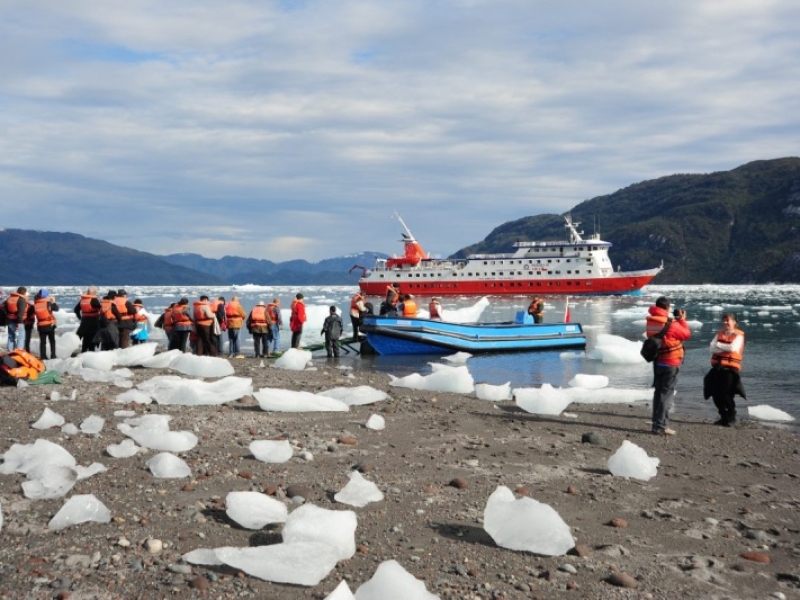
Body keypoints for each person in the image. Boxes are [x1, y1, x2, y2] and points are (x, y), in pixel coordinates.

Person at [645, 296, 692, 436]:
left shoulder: (651, 321)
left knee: (659, 394)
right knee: (666, 395)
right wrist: (682, 320)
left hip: (658, 362)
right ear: (667, 308)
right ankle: (661, 426)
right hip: (670, 363)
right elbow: (686, 334)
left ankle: (656, 424)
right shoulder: (671, 324)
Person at [704, 313, 746, 427]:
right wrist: (722, 347)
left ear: (734, 322)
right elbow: (711, 348)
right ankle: (723, 416)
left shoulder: (739, 335)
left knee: (726, 393)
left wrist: (718, 345)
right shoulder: (720, 333)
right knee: (715, 393)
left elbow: (733, 348)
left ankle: (731, 416)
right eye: (724, 320)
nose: (725, 322)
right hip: (718, 368)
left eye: (728, 320)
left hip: (730, 369)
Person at [74, 286, 102, 353]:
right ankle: (90, 354)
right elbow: (101, 308)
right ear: (94, 292)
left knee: (85, 339)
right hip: (93, 322)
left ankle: (83, 352)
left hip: (84, 322)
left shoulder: (83, 300)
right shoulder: (94, 300)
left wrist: (80, 318)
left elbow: (76, 310)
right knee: (92, 339)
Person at [34, 289, 59, 359]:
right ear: (46, 296)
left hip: (41, 325)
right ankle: (53, 355)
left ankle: (43, 356)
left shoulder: (36, 304)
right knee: (52, 341)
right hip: (49, 325)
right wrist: (53, 302)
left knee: (43, 342)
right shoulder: (48, 304)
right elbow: (56, 308)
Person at [4, 287, 29, 351]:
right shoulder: (21, 300)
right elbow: (21, 312)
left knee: (11, 337)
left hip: (9, 320)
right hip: (18, 321)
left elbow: (4, 308)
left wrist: (8, 315)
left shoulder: (9, 298)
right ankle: (19, 352)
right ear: (24, 293)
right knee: (21, 337)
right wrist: (19, 322)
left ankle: (10, 352)